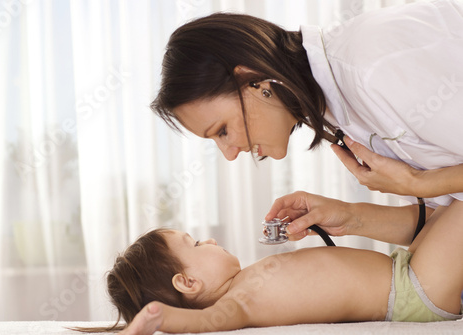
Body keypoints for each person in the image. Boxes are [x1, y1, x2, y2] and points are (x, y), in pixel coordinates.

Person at [150, 0, 463, 240]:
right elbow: (451, 225)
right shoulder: (338, 107)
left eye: (222, 131)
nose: (229, 153)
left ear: (250, 80)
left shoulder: (373, 67)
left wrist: (418, 183)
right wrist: (350, 216)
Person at [73, 196, 463, 334]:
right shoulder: (236, 307)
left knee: (445, 206)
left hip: (405, 267)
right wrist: (153, 319)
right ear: (187, 282)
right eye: (194, 243)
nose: (208, 239)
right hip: (415, 289)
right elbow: (197, 323)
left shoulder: (245, 283)